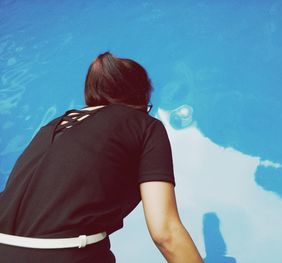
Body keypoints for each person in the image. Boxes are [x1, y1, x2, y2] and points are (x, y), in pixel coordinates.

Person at [0, 51, 203, 262]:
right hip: (66, 254)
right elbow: (165, 233)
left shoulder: (51, 126)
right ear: (141, 98)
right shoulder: (145, 126)